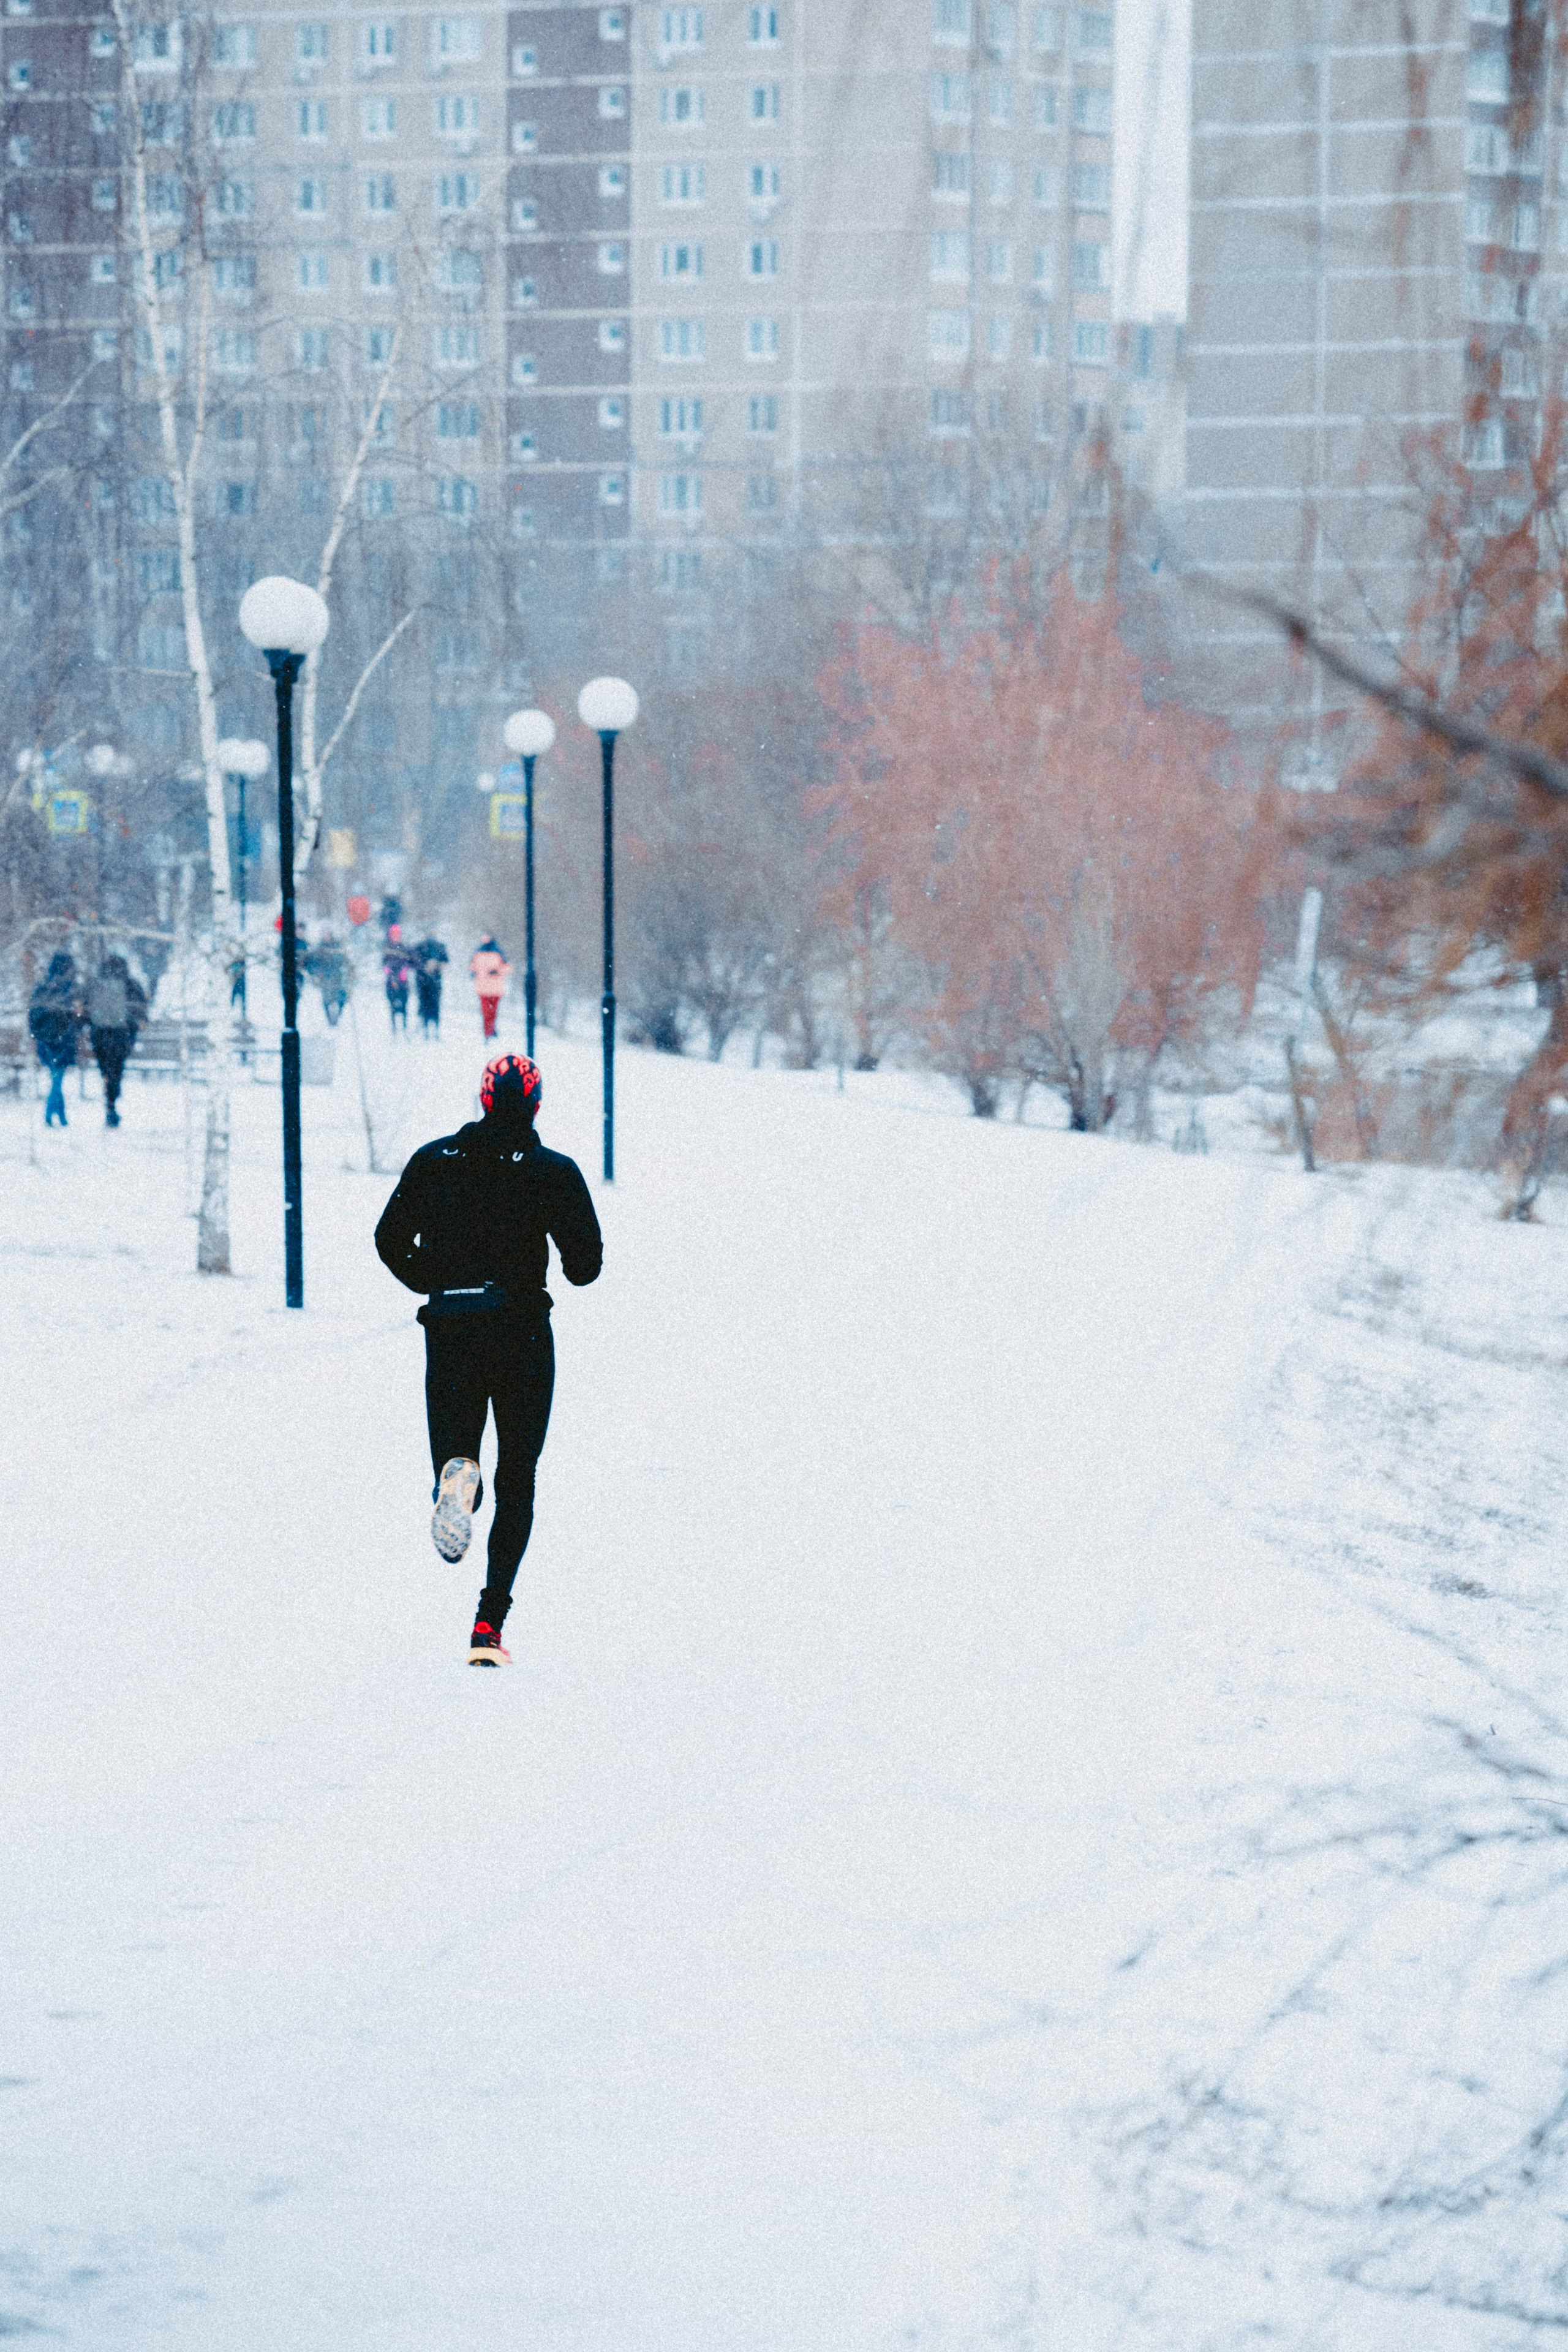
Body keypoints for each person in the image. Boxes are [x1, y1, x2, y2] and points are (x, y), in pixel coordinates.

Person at [374, 1051, 601, 1665]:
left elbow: (389, 1239)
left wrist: (433, 1281)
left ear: (482, 1100)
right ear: (536, 1106)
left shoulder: (434, 1160)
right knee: (518, 1477)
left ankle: (457, 1483)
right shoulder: (553, 1171)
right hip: (521, 1330)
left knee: (458, 1455)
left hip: (451, 1329)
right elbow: (585, 1267)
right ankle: (488, 1625)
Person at [86, 954, 148, 1128]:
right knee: (116, 1070)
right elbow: (140, 1008)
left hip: (99, 1034)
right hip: (121, 1035)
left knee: (106, 1070)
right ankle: (112, 1101)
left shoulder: (96, 984)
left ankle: (109, 1099)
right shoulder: (131, 984)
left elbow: (84, 1009)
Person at [28, 951, 82, 1129]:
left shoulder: (43, 986)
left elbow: (33, 1013)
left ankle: (56, 1114)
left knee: (55, 1077)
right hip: (64, 1039)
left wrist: (36, 1034)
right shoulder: (69, 988)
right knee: (57, 1079)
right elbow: (76, 1016)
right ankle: (54, 1114)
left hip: (46, 1039)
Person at [470, 936, 510, 1042]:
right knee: (487, 1011)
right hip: (486, 988)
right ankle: (488, 1031)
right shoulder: (482, 954)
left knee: (491, 1011)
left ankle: (490, 1030)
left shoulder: (495, 954)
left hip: (493, 988)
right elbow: (473, 967)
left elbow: (508, 968)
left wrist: (498, 971)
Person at [412, 934, 448, 1038]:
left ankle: (435, 1030)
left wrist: (438, 966)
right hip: (424, 982)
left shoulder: (440, 946)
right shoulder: (420, 947)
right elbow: (414, 962)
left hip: (434, 982)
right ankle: (426, 1029)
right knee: (425, 1005)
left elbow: (445, 961)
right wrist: (424, 968)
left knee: (434, 1006)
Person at [383, 943, 411, 1032]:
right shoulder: (388, 950)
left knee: (404, 1007)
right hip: (391, 985)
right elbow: (384, 966)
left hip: (403, 985)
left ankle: (404, 1027)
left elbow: (409, 963)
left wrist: (403, 972)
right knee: (392, 1007)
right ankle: (394, 1028)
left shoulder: (404, 949)